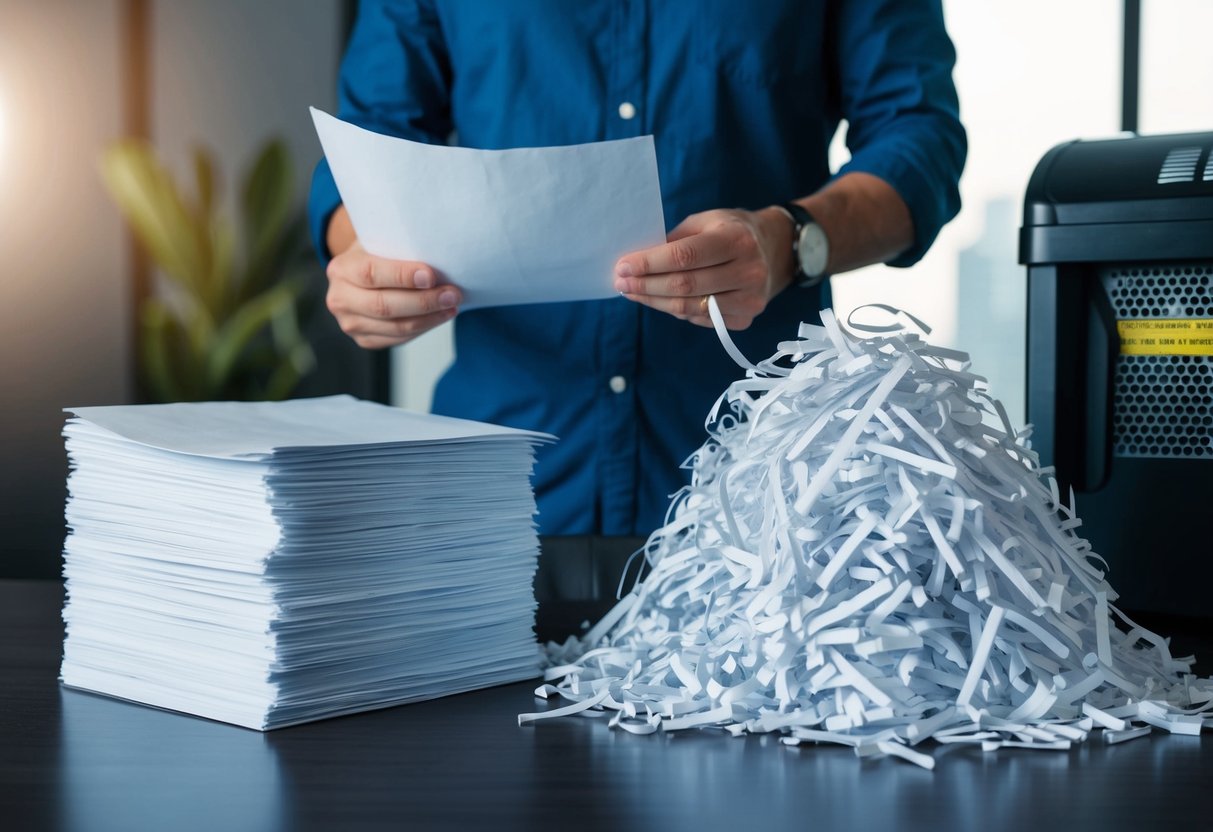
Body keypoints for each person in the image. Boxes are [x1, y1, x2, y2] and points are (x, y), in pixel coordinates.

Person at [310, 1, 966, 537]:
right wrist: (362, 257)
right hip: (496, 491)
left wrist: (790, 240)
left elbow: (918, 140)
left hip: (767, 497)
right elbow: (369, 143)